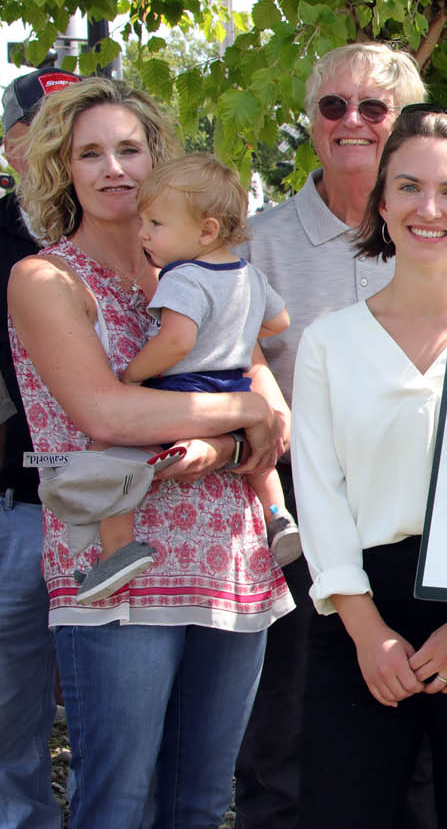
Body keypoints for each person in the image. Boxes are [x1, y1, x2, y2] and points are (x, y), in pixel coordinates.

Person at [7, 76, 292, 828]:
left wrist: (235, 433)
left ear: (156, 159)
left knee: (200, 801)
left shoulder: (207, 274)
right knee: (120, 803)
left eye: (130, 149)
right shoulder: (46, 278)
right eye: (90, 153)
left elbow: (273, 418)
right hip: (118, 567)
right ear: (61, 168)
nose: (114, 169)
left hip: (227, 557)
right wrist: (243, 411)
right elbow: (105, 412)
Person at [292, 104, 447, 828]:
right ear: (381, 200)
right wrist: (366, 631)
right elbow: (320, 494)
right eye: (408, 187)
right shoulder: (330, 341)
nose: (427, 209)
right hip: (360, 612)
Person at [233, 41, 426, 829]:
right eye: (333, 106)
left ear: (403, 122)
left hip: (412, 520)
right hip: (290, 519)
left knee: (411, 730)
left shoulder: (442, 235)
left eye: (374, 107)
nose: (353, 121)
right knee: (282, 729)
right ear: (312, 121)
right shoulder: (256, 242)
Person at [63, 154, 297, 603]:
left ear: (206, 231)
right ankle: (278, 516)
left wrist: (133, 374)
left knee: (107, 455)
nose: (143, 232)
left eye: (156, 223)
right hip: (235, 388)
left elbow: (175, 342)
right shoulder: (248, 275)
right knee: (260, 463)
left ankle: (118, 549)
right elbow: (279, 321)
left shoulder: (183, 277)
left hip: (187, 391)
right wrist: (235, 329)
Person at [0, 66, 78, 829]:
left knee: (118, 717)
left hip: (125, 506)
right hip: (18, 506)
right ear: (12, 145)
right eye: (51, 127)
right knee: (10, 711)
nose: (67, 144)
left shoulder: (148, 237)